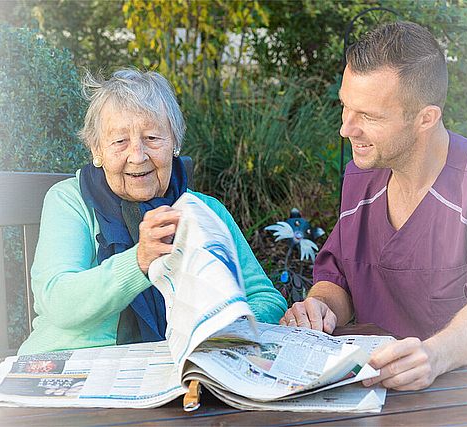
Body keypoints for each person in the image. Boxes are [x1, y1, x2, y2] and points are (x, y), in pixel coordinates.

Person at [279, 21, 467, 394]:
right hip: (409, 394)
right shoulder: (361, 180)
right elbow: (340, 279)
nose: (346, 129)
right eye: (345, 107)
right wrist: (318, 308)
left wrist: (433, 357)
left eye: (369, 116)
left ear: (426, 118)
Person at [18, 69, 287, 355]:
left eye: (152, 138)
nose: (138, 155)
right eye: (120, 141)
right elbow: (59, 302)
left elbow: (265, 297)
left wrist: (219, 327)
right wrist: (139, 261)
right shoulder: (69, 201)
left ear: (174, 142)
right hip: (73, 368)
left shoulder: (204, 211)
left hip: (169, 370)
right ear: (96, 149)